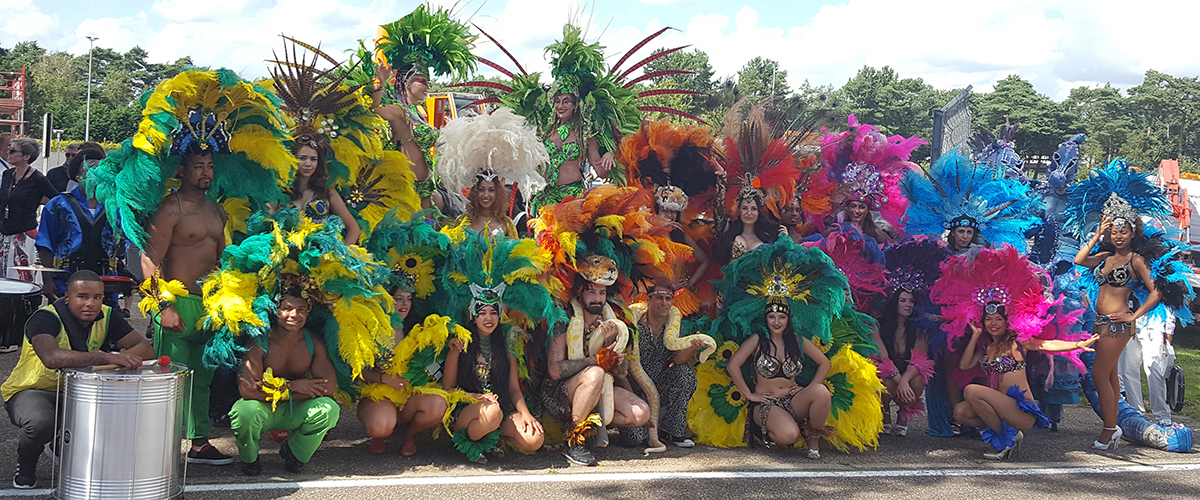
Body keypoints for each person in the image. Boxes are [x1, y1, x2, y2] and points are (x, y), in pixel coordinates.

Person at [1, 270, 153, 488]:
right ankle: (25, 467)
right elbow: (51, 358)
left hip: (81, 390)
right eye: (82, 297)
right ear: (67, 297)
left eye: (97, 297)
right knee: (41, 423)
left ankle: (60, 446)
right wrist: (107, 356)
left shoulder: (108, 315)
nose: (90, 303)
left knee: (121, 415)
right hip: (32, 389)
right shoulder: (45, 318)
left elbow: (145, 347)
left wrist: (127, 357)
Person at [141, 147, 232, 465]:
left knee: (203, 378)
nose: (205, 172)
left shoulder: (217, 210)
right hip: (176, 302)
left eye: (209, 166)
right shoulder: (170, 208)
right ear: (181, 170)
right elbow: (149, 259)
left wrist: (227, 301)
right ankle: (158, 445)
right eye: (198, 166)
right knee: (169, 376)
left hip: (208, 305)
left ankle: (199, 443)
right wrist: (163, 305)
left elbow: (224, 259)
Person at [954, 302, 1098, 459]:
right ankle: (1010, 433)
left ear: (1007, 322)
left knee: (971, 390)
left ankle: (1006, 439)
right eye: (988, 319)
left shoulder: (1017, 343)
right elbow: (964, 365)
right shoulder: (988, 347)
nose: (993, 324)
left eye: (998, 319)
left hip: (1020, 410)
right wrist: (975, 335)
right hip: (999, 406)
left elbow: (1046, 344)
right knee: (960, 412)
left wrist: (1078, 344)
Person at [373, 5, 476, 213]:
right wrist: (380, 83)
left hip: (425, 188)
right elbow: (374, 110)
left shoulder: (419, 113)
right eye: (422, 81)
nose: (428, 87)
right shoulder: (399, 110)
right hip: (404, 188)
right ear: (405, 82)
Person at [229, 283, 340, 475]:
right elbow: (247, 389)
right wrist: (294, 387)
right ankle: (250, 460)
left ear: (308, 314)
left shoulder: (313, 342)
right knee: (245, 411)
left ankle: (295, 453)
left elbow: (328, 387)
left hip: (292, 409)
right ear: (275, 310)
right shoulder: (259, 340)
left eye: (301, 310)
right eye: (287, 309)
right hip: (262, 409)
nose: (294, 315)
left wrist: (285, 393)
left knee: (329, 409)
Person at [545, 275, 650, 466]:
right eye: (591, 292)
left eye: (602, 293)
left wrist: (613, 350)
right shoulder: (563, 320)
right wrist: (595, 360)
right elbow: (554, 370)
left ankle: (590, 428)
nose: (597, 298)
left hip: (598, 388)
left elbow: (622, 373)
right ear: (580, 294)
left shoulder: (611, 322)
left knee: (641, 413)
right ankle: (574, 440)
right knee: (596, 372)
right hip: (559, 393)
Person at [727, 298, 833, 459]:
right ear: (766, 318)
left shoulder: (797, 341)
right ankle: (768, 433)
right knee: (789, 436)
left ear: (789, 318)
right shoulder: (757, 340)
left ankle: (813, 442)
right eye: (772, 317)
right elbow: (733, 365)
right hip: (767, 403)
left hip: (793, 400)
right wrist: (749, 394)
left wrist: (809, 387)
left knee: (821, 392)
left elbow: (825, 363)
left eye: (781, 317)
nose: (776, 322)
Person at [443, 302, 543, 464]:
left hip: (499, 412)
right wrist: (476, 397)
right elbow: (447, 390)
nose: (488, 318)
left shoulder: (506, 348)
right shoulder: (459, 347)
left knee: (535, 439)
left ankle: (494, 438)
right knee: (492, 412)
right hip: (467, 411)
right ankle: (471, 443)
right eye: (482, 313)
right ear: (474, 317)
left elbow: (513, 390)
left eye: (493, 313)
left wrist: (526, 414)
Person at [356, 286, 449, 456]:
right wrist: (384, 378)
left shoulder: (418, 329)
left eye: (409, 298)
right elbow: (357, 372)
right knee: (379, 426)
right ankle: (382, 433)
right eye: (398, 298)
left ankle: (409, 436)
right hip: (380, 393)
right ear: (387, 301)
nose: (405, 304)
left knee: (438, 404)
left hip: (410, 394)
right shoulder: (372, 330)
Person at [620, 281, 711, 449]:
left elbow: (678, 361)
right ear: (648, 300)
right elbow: (621, 370)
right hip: (633, 389)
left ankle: (671, 431)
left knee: (685, 374)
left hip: (659, 385)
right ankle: (646, 424)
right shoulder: (632, 325)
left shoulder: (674, 327)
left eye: (668, 299)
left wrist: (692, 347)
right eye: (659, 298)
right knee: (634, 439)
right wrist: (635, 402)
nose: (664, 303)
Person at [436, 107, 547, 241]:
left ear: (498, 193)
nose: (486, 195)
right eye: (481, 189)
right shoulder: (463, 221)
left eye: (491, 190)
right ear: (475, 192)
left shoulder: (507, 224)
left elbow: (515, 257)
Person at [35, 146, 124, 300]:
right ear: (78, 176)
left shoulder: (115, 206)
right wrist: (48, 281)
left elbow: (120, 250)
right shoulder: (58, 205)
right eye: (88, 170)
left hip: (105, 283)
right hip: (66, 283)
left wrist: (120, 246)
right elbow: (45, 246)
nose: (94, 174)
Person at [821, 115, 924, 245]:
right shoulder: (837, 224)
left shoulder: (875, 231)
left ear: (868, 210)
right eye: (853, 206)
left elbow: (893, 247)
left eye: (861, 207)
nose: (856, 211)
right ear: (847, 207)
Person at [0, 137, 59, 353]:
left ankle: (18, 334)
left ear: (26, 156)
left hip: (22, 237)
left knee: (18, 286)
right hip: (3, 235)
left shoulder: (38, 179)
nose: (9, 152)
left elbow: (56, 200)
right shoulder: (7, 174)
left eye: (13, 150)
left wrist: (36, 208)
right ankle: (2, 333)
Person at [278, 141, 359, 244]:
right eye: (302, 158)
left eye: (313, 159)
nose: (308, 164)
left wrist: (343, 255)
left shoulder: (327, 191)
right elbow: (266, 224)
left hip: (322, 255)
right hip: (286, 255)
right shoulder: (279, 191)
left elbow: (354, 228)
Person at [1120, 310, 1176, 426]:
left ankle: (1162, 416)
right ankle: (1136, 412)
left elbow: (1169, 297)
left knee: (1154, 371)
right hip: (1130, 324)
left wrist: (1169, 329)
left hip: (1154, 324)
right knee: (1128, 370)